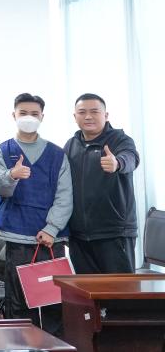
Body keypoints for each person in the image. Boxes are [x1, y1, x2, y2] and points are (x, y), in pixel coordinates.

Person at [0, 93, 72, 336]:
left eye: (34, 114)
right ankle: (20, 346)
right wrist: (11, 175)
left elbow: (65, 195)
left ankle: (54, 345)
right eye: (23, 113)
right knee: (19, 303)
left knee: (52, 301)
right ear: (13, 115)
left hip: (50, 241)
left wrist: (51, 228)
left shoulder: (57, 154)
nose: (29, 118)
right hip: (17, 239)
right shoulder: (2, 150)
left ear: (42, 117)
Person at [65, 93, 140, 274]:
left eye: (94, 111)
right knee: (87, 290)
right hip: (79, 236)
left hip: (114, 232)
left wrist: (117, 163)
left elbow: (131, 158)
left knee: (120, 289)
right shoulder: (71, 145)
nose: (88, 116)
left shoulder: (120, 140)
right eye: (82, 112)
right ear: (75, 116)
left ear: (106, 115)